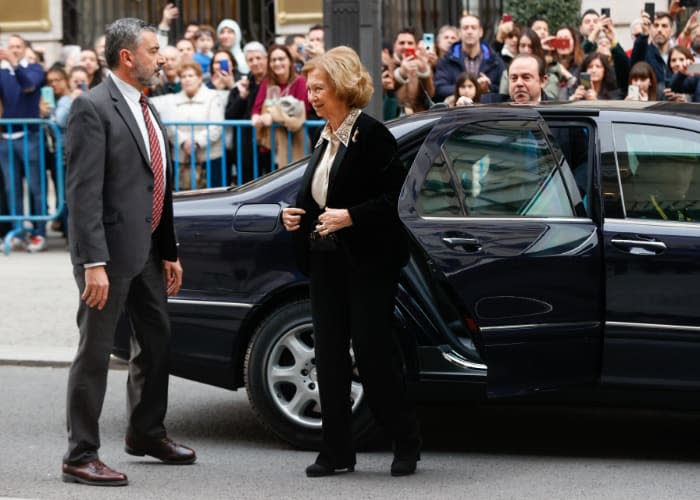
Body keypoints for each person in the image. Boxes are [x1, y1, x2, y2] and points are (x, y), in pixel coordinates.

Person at [62, 17, 195, 487]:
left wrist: (169, 248)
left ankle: (145, 432)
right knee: (95, 353)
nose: (162, 58)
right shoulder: (91, 108)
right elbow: (82, 195)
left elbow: (157, 182)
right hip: (107, 258)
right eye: (155, 49)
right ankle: (80, 454)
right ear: (127, 57)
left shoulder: (147, 107)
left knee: (157, 343)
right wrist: (92, 263)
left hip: (147, 254)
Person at [281, 45, 421, 478]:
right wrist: (290, 215)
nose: (312, 96)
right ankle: (336, 452)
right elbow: (315, 199)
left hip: (368, 264)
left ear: (341, 87)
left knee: (373, 355)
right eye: (310, 89)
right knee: (330, 359)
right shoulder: (323, 136)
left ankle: (405, 441)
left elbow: (396, 199)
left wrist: (351, 217)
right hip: (326, 262)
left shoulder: (372, 135)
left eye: (319, 88)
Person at [0, 33, 48, 252]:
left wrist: (14, 63)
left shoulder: (35, 69)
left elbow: (28, 86)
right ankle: (18, 230)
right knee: (12, 188)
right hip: (6, 138)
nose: (14, 50)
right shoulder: (1, 72)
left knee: (36, 187)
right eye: (10, 47)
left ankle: (39, 233)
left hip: (30, 136)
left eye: (18, 46)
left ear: (25, 48)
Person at [151, 61, 226, 189]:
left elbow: (216, 126)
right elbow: (170, 127)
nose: (187, 80)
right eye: (184, 77)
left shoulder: (212, 97)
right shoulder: (172, 100)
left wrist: (196, 142)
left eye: (191, 76)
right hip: (181, 158)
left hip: (210, 158)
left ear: (199, 78)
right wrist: (183, 142)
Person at [250, 44, 310, 168]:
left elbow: (302, 109)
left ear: (289, 61)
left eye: (281, 59)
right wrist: (256, 118)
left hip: (293, 141)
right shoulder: (266, 82)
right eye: (273, 60)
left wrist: (273, 115)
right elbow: (256, 108)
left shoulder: (300, 82)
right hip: (270, 144)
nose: (277, 63)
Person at [225, 41, 269, 183]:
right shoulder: (243, 84)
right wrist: (242, 96)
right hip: (246, 145)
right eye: (251, 60)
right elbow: (230, 115)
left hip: (269, 142)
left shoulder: (275, 82)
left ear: (265, 59)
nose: (255, 63)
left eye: (258, 58)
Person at [434, 14, 505, 101]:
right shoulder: (447, 59)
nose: (469, 31)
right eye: (465, 28)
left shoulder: (495, 60)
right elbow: (440, 88)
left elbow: (503, 91)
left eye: (473, 28)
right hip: (457, 111)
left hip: (486, 111)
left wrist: (488, 87)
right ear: (459, 33)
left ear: (481, 32)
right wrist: (469, 88)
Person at [389, 27, 435, 114]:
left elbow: (430, 93)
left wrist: (424, 70)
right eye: (401, 43)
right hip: (394, 117)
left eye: (410, 43)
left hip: (417, 117)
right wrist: (401, 73)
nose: (406, 46)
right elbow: (388, 90)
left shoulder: (421, 64)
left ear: (416, 46)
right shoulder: (388, 64)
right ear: (394, 45)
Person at [631, 11, 675, 99]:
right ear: (650, 29)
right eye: (656, 25)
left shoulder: (677, 54)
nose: (659, 29)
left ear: (672, 31)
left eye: (664, 26)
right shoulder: (644, 52)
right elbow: (635, 62)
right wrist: (644, 35)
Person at [482, 53, 548, 104]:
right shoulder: (493, 104)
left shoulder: (556, 111)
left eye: (526, 77)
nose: (519, 83)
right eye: (514, 78)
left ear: (542, 81)